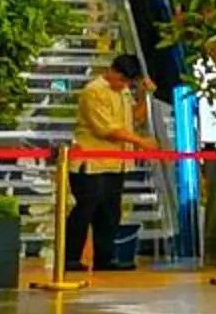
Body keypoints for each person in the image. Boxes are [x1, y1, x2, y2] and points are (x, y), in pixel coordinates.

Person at [67, 54, 159, 274]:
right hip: (90, 164)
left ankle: (105, 259)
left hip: (116, 163)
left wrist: (146, 96)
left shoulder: (124, 91)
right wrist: (141, 142)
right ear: (113, 71)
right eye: (122, 80)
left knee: (109, 213)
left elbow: (133, 119)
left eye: (129, 82)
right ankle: (70, 258)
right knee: (86, 210)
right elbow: (106, 129)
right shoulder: (94, 91)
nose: (124, 85)